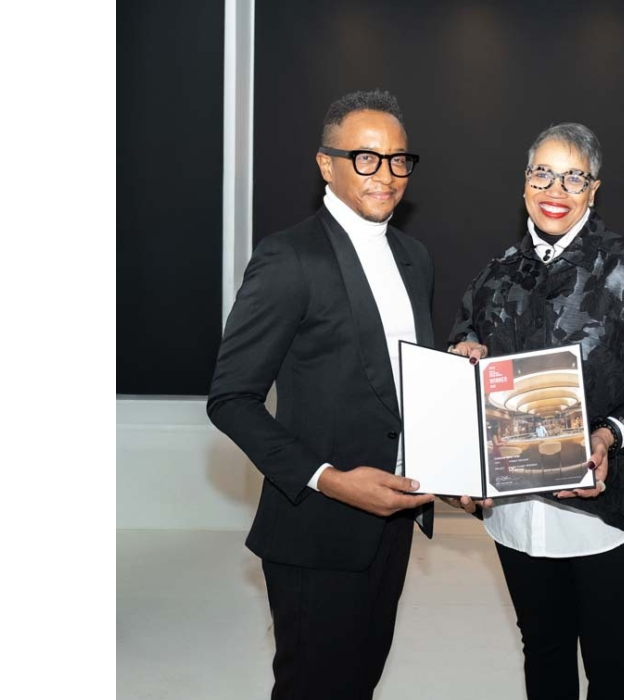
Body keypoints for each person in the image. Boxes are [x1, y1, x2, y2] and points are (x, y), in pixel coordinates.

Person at [444, 123, 624, 700]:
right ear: (524, 183)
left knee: (615, 668)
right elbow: (465, 350)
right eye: (542, 172)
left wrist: (609, 435)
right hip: (517, 514)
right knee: (542, 654)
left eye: (574, 176)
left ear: (594, 190)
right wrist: (462, 357)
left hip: (606, 510)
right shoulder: (494, 277)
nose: (556, 188)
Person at [207, 89, 436, 700]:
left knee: (358, 683)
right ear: (325, 164)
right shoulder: (288, 258)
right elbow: (231, 399)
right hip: (315, 529)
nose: (384, 175)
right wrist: (330, 479)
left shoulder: (415, 258)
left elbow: (394, 383)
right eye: (364, 158)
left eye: (396, 160)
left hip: (394, 518)